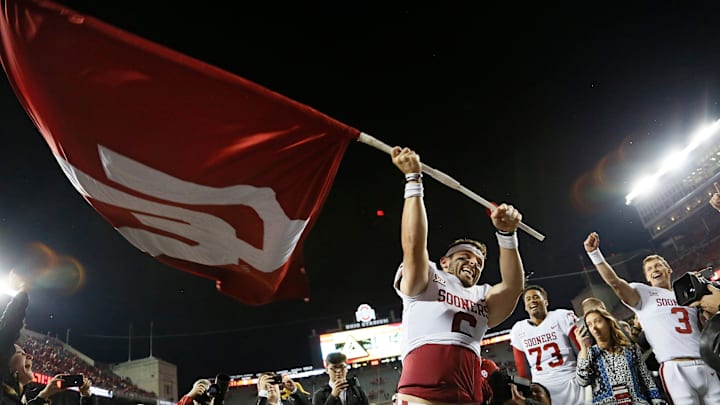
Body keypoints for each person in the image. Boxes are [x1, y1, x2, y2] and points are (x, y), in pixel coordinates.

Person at [390, 146, 525, 405]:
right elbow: (414, 245)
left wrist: (507, 235)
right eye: (465, 256)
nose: (473, 264)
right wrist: (413, 181)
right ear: (444, 261)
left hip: (468, 397)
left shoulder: (482, 295)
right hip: (422, 396)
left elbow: (513, 286)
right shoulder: (429, 277)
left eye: (479, 263)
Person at [583, 232, 720, 404]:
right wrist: (594, 254)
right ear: (647, 278)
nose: (654, 270)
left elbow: (705, 324)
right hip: (675, 367)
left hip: (705, 362)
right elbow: (615, 283)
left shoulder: (686, 293)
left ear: (668, 269)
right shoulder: (642, 294)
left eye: (658, 265)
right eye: (649, 269)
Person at [509, 285, 584, 404]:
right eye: (528, 299)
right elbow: (522, 370)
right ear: (525, 307)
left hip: (571, 381)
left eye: (536, 297)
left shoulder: (560, 316)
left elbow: (581, 349)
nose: (532, 301)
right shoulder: (518, 329)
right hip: (543, 389)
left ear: (546, 301)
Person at [575, 308, 665, 404]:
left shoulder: (631, 350)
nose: (594, 327)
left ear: (608, 322)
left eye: (598, 321)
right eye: (589, 325)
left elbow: (647, 380)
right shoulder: (588, 354)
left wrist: (657, 401)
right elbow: (582, 381)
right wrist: (583, 348)